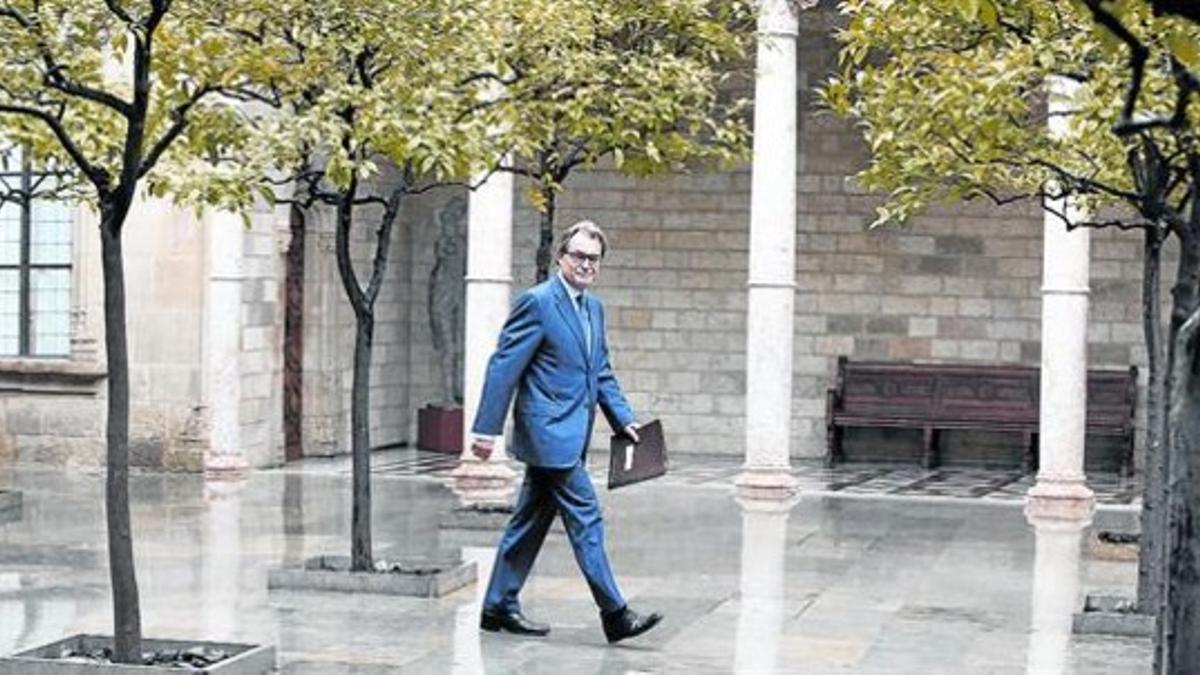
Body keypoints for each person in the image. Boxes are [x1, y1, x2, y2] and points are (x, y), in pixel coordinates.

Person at [470, 220, 663, 644]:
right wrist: (485, 431)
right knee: (586, 518)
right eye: (578, 256)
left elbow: (601, 371)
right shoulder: (538, 302)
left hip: (571, 433)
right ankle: (615, 614)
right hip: (547, 433)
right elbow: (504, 365)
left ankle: (497, 605)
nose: (586, 265)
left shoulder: (594, 308)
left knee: (530, 520)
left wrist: (623, 418)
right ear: (561, 257)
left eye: (593, 259)